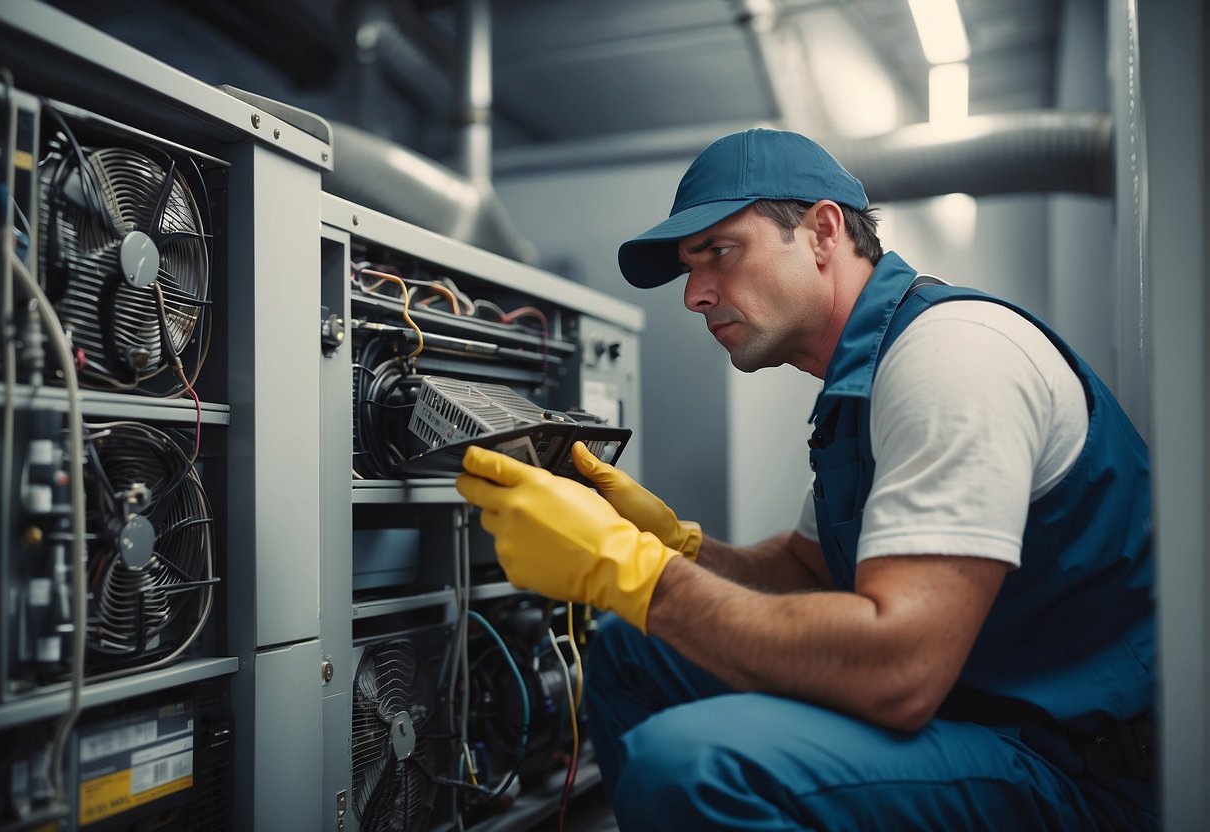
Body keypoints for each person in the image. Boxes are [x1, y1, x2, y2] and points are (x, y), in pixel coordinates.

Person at [456, 128, 1155, 830]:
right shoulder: (865, 381)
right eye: (687, 269)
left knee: (696, 766)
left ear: (822, 232)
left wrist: (635, 577)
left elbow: (899, 671)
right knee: (635, 653)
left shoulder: (949, 360)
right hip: (981, 707)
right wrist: (674, 545)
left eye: (719, 253)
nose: (694, 295)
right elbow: (807, 571)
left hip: (1074, 766)